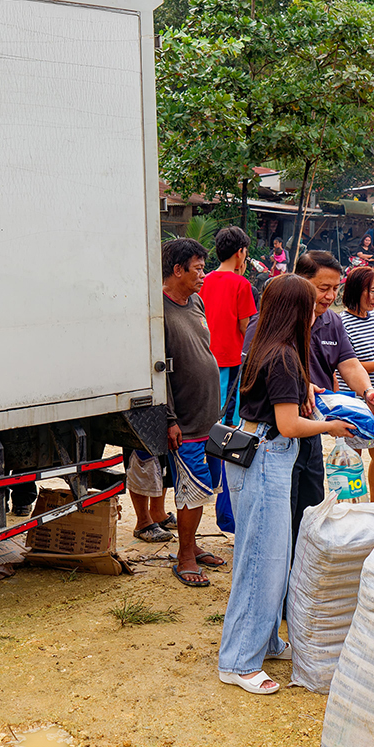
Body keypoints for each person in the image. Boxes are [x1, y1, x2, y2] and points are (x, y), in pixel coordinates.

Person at [217, 276, 355, 695]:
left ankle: (265, 642)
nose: (318, 313)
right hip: (266, 459)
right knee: (264, 560)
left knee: (268, 557)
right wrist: (331, 426)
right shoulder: (282, 355)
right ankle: (239, 662)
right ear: (297, 311)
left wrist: (305, 389)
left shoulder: (270, 347)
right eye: (312, 307)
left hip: (260, 456)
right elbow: (289, 424)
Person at [242, 251, 374, 550]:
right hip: (277, 434)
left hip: (311, 429)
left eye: (335, 289)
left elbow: (349, 364)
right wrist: (299, 385)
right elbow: (257, 370)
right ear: (301, 283)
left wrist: (367, 392)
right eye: (323, 288)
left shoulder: (332, 321)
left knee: (311, 503)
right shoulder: (270, 323)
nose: (330, 296)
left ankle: (300, 563)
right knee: (280, 514)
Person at [126, 238, 232, 587]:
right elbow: (158, 372)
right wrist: (169, 419)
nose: (203, 275)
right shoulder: (158, 311)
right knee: (191, 489)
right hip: (184, 421)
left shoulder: (195, 302)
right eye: (198, 269)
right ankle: (185, 556)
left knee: (203, 488)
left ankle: (193, 545)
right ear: (177, 270)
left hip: (207, 416)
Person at [338, 267, 374, 502]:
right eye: (372, 291)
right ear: (356, 290)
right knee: (353, 455)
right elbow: (350, 365)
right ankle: (351, 506)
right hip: (353, 401)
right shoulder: (341, 323)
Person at [201, 227, 259, 425]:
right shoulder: (242, 284)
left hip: (206, 354)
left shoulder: (204, 280)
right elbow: (245, 326)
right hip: (231, 356)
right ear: (240, 252)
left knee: (210, 402)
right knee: (228, 408)